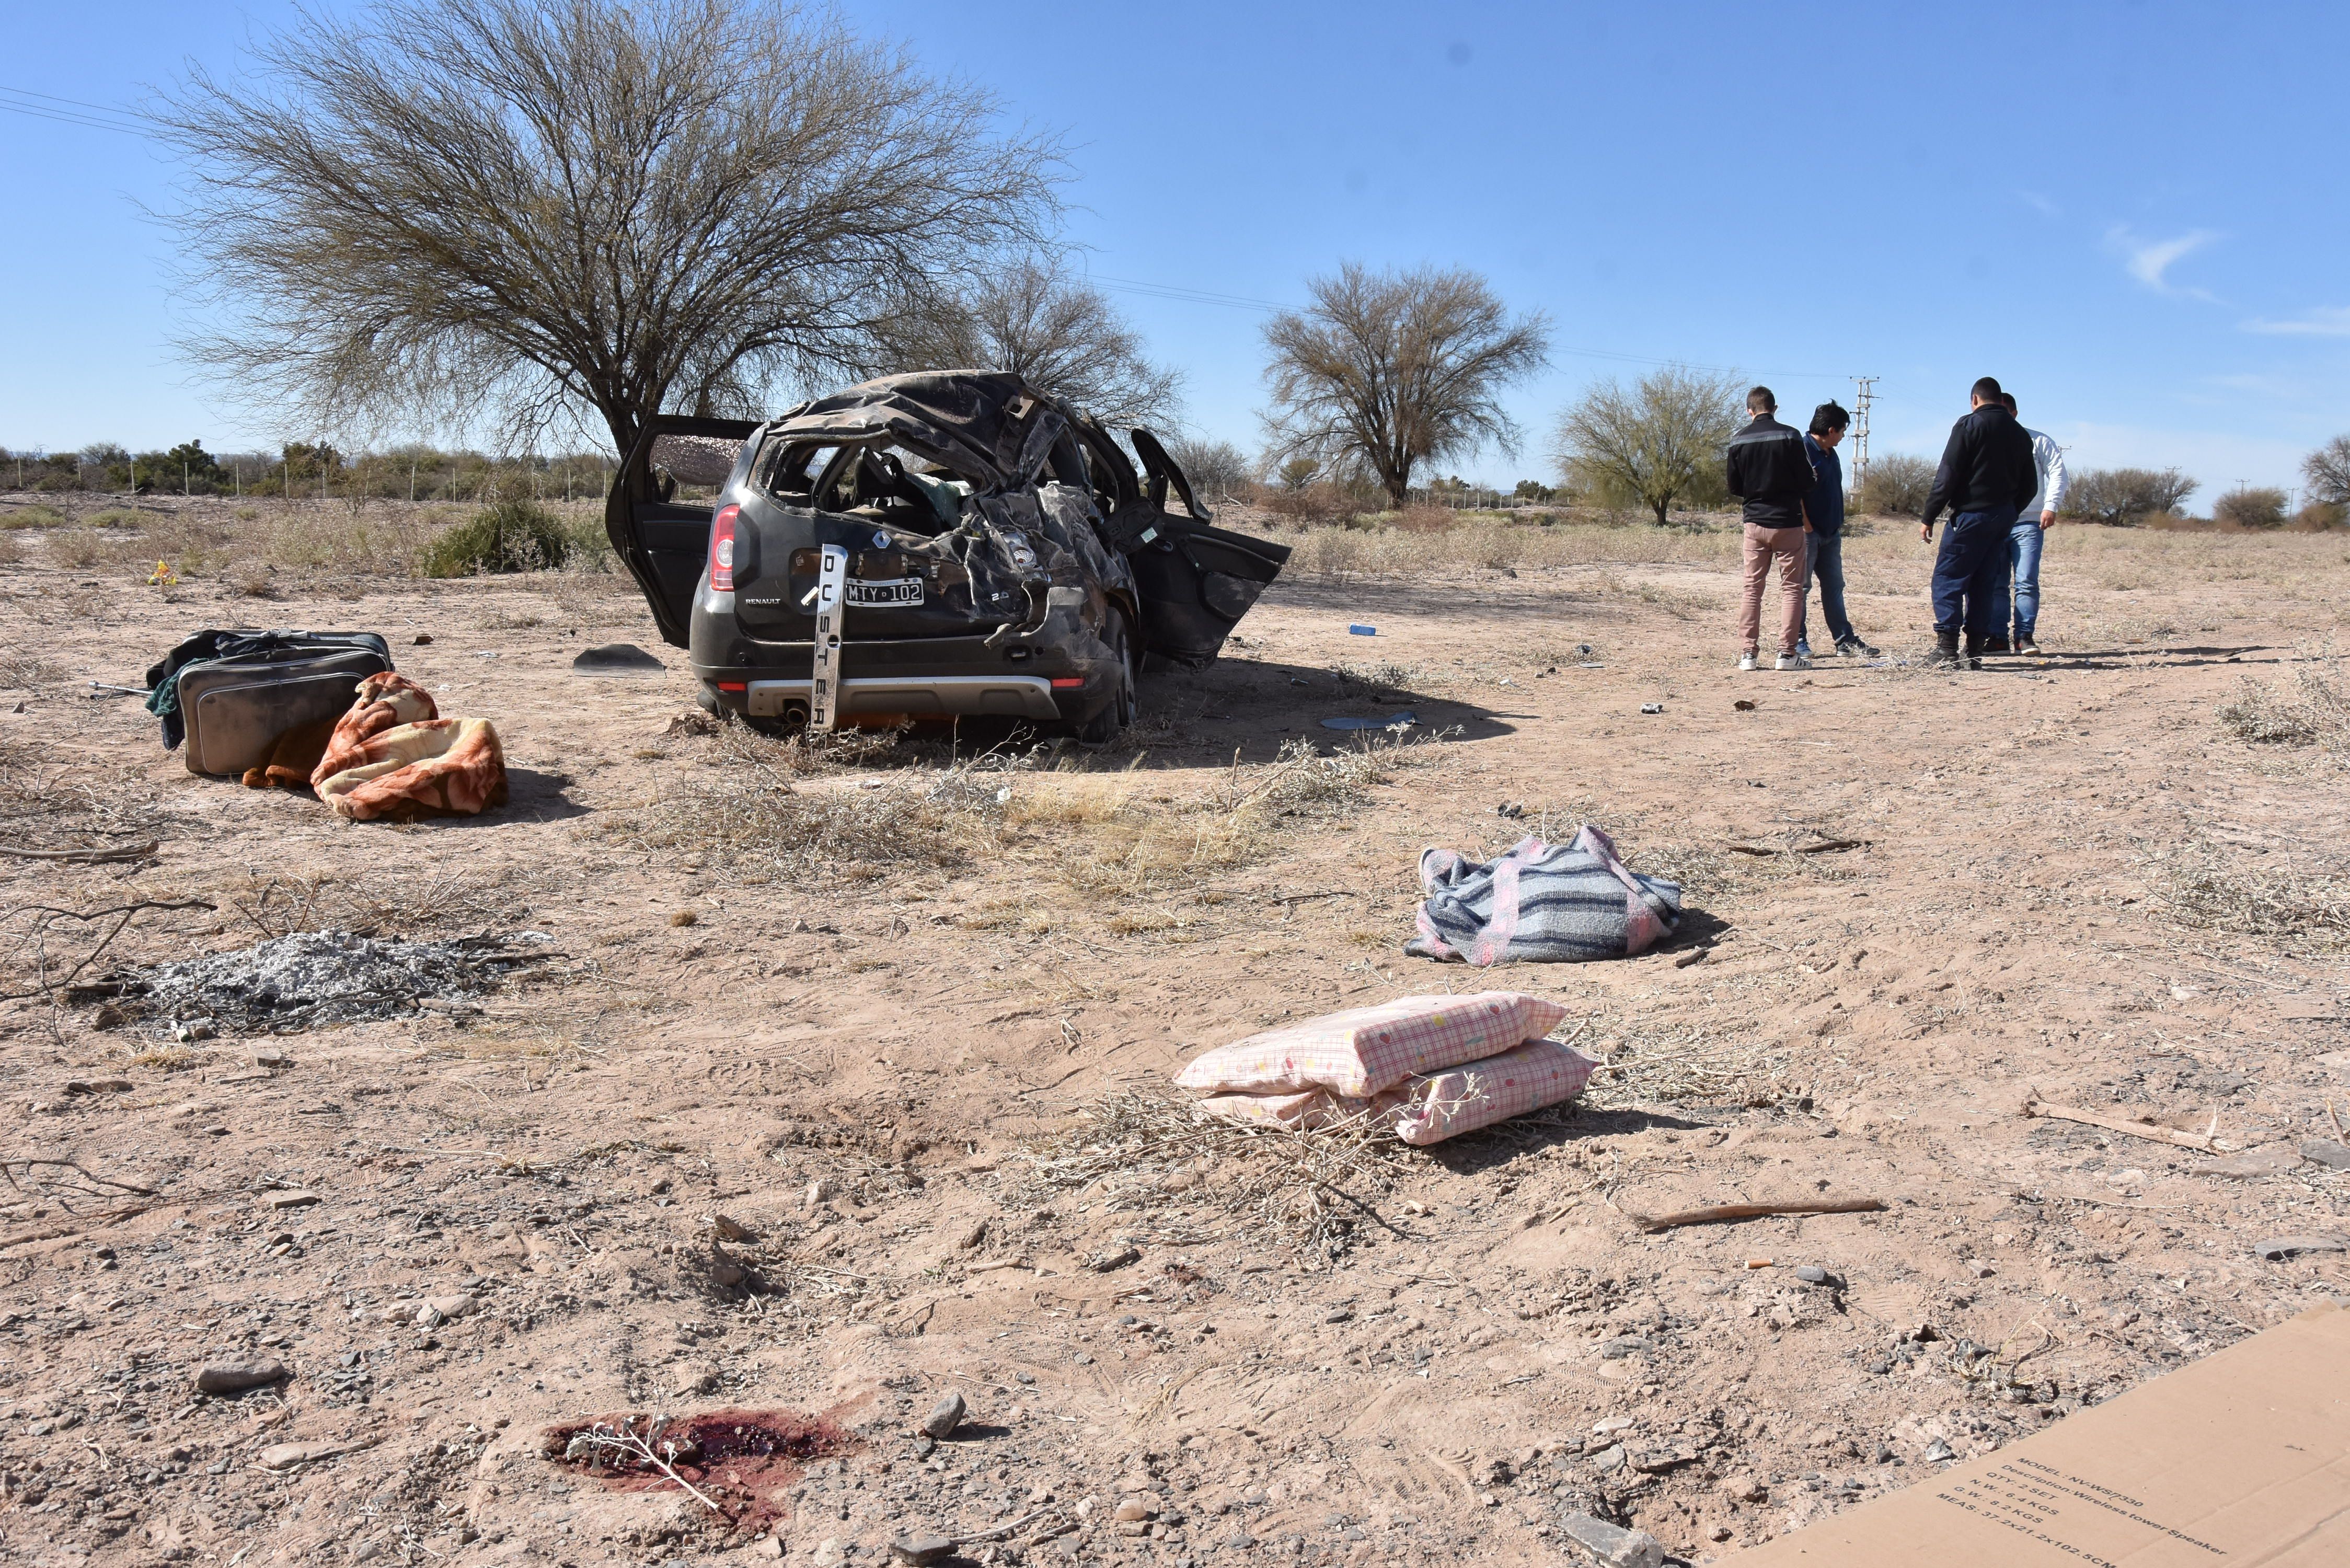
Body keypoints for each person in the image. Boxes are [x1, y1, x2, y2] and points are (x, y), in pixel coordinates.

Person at [1919, 377, 2038, 668]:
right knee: (1984, 583)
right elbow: (2031, 486)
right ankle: (1973, 652)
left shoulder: (1969, 425)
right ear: (2001, 400)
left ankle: (1947, 648)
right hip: (2001, 519)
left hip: (1970, 516)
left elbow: (1947, 474)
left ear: (1975, 400)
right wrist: (2010, 512)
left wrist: (1929, 515)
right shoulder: (2021, 434)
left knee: (1949, 578)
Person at [1724, 385, 1815, 671]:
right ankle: (1787, 655)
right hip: (1787, 523)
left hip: (1755, 522)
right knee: (1792, 589)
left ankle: (1748, 655)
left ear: (1749, 411)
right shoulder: (1790, 436)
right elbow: (1807, 481)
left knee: (1752, 588)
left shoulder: (1738, 440)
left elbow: (1734, 486)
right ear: (1775, 408)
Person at [1793, 401, 1880, 659]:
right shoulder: (1801, 451)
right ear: (1831, 430)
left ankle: (1845, 642)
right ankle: (1797, 641)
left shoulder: (1832, 453)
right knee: (1800, 589)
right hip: (1808, 535)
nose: (1844, 436)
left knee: (1834, 588)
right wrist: (1806, 525)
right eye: (1843, 431)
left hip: (1831, 535)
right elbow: (1794, 493)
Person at [1990, 391, 2066, 655]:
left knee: (2026, 581)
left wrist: (2050, 506)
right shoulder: (1985, 442)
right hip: (1994, 522)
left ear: (2014, 414)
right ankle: (1997, 638)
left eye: (2002, 413)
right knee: (1996, 583)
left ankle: (2024, 637)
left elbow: (2058, 473)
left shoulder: (2039, 441)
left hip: (2028, 523)